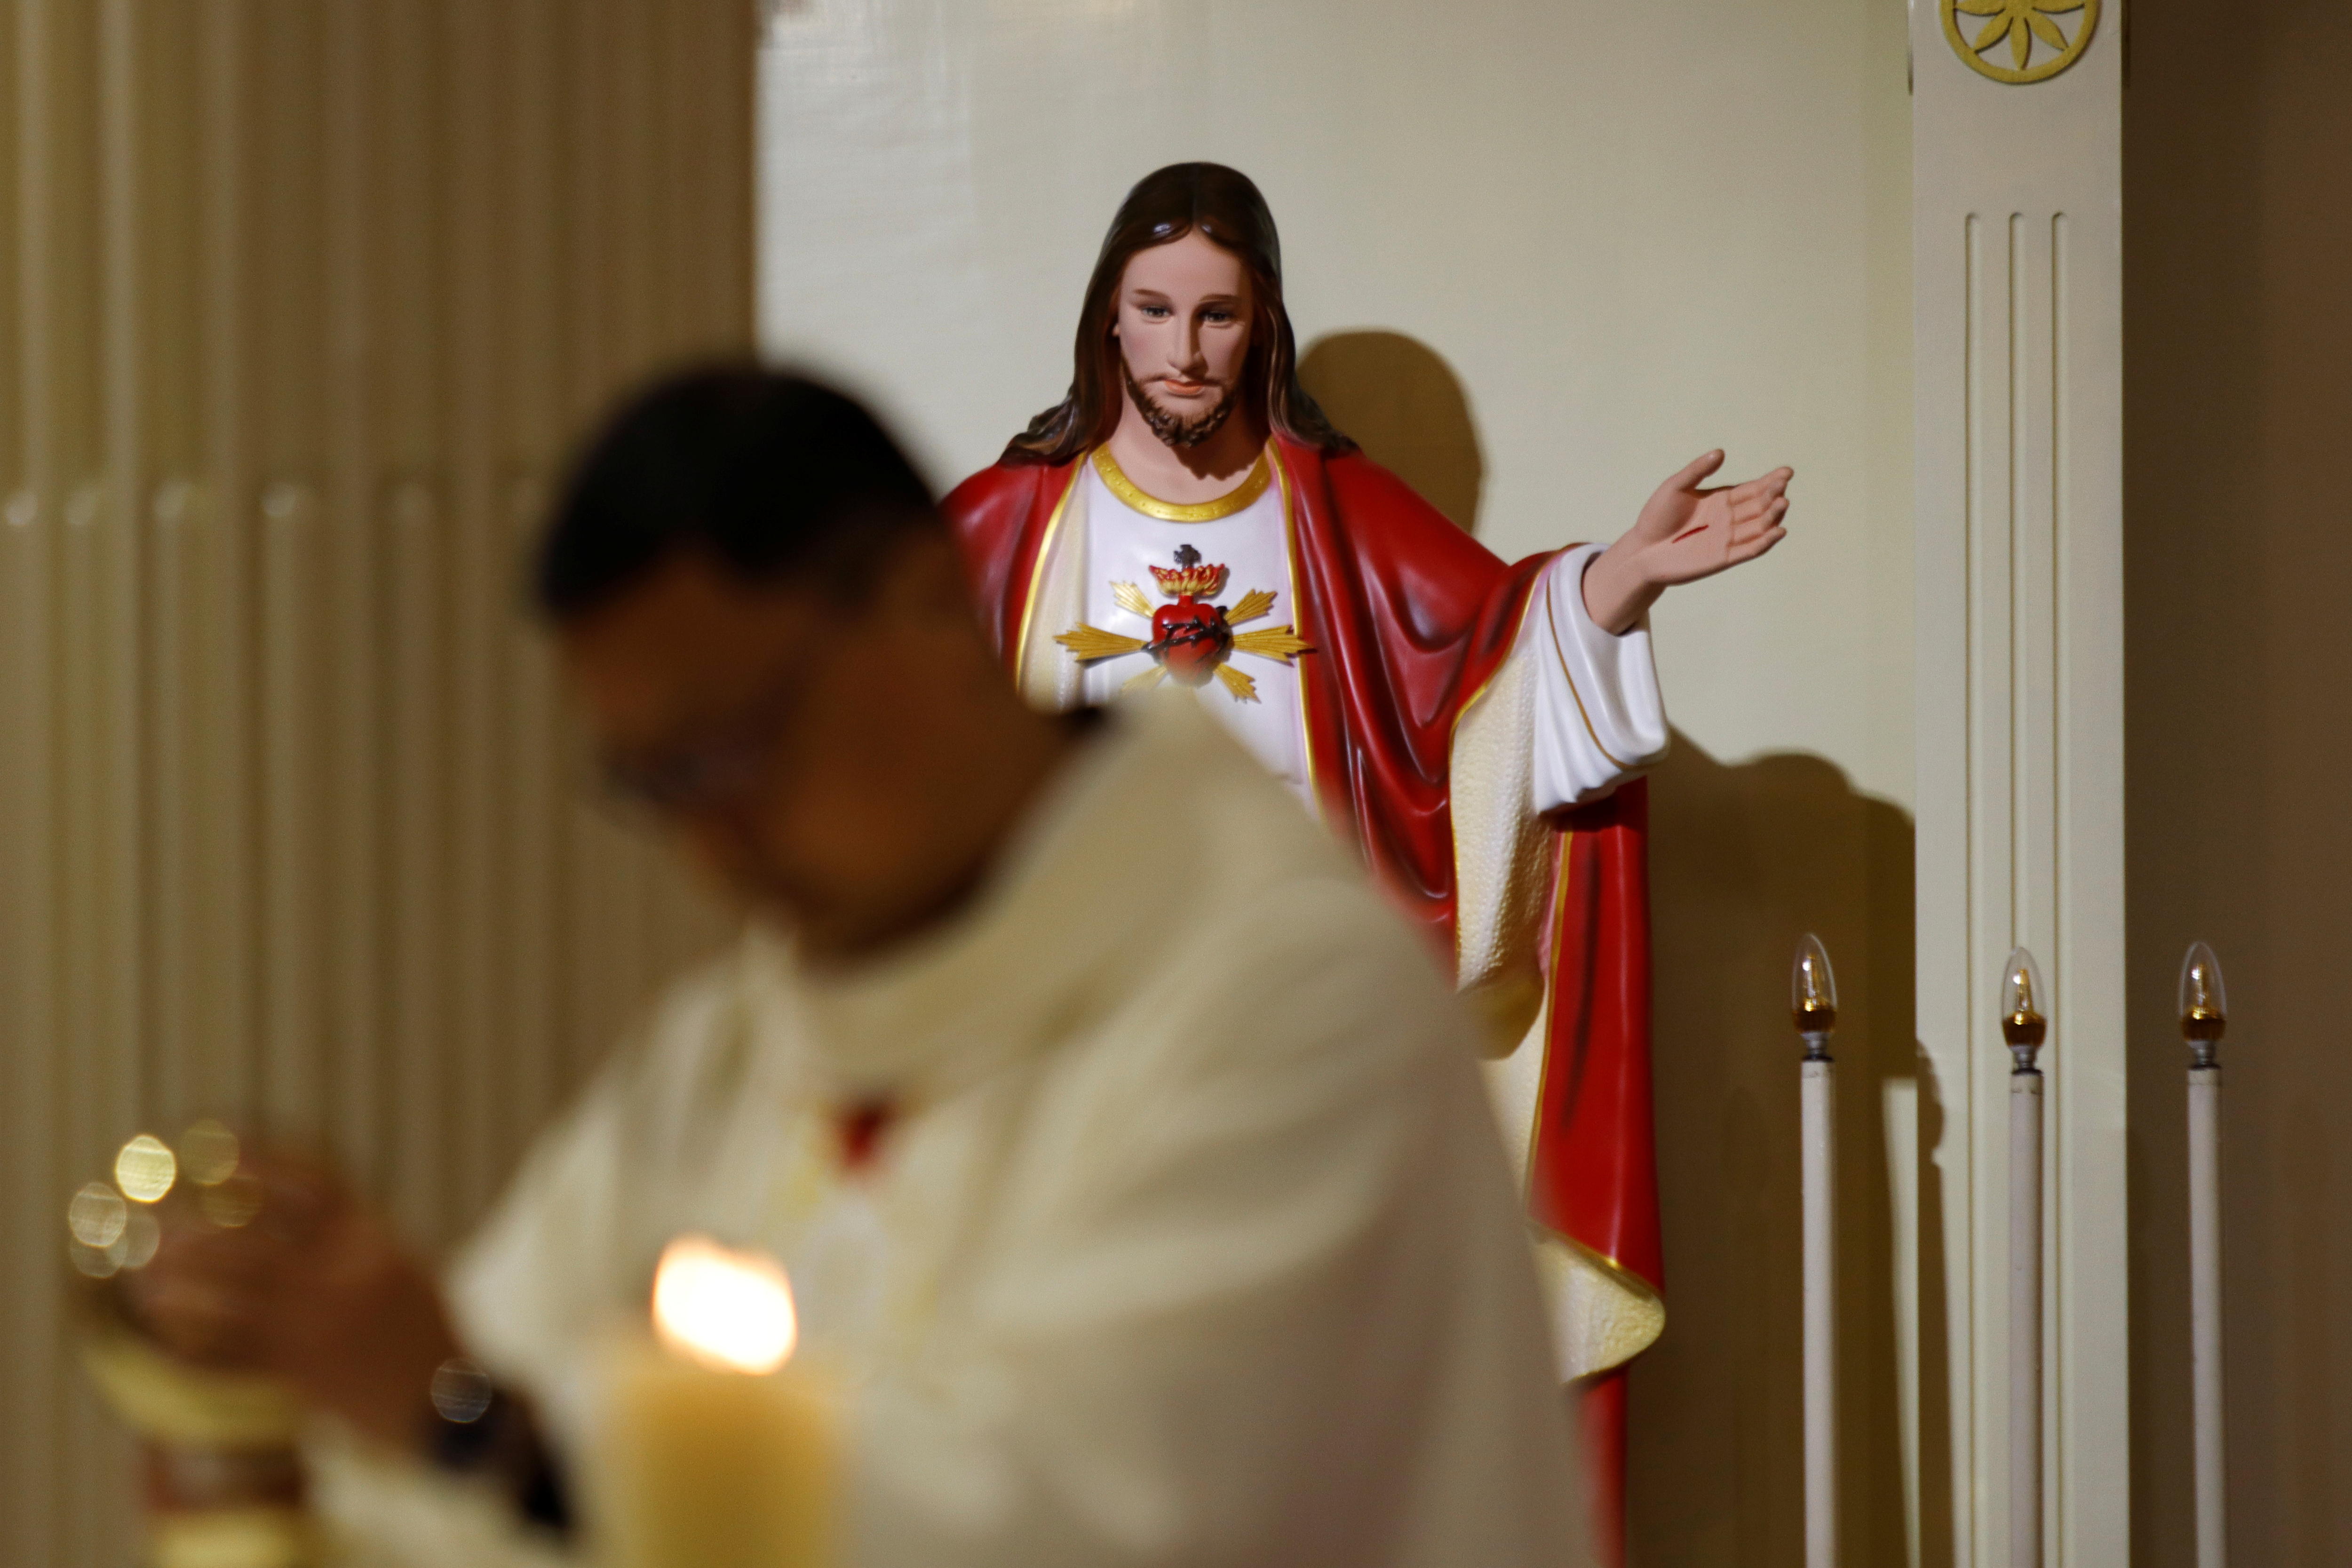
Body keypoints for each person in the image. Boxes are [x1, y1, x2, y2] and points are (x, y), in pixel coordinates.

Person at [127, 369, 1592, 1566]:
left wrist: (474, 1427)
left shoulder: (1286, 1004)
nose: (712, 841)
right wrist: (270, 1438)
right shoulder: (729, 1051)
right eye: (653, 782)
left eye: (738, 747)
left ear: (921, 603)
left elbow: (1084, 1517)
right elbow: (472, 1419)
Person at [939, 161, 1789, 1554]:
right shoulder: (1006, 526)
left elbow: (1498, 664)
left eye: (1218, 315)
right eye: (1153, 310)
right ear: (1108, 317)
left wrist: (1619, 583)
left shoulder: (1333, 514)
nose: (1184, 350)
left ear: (1263, 323)